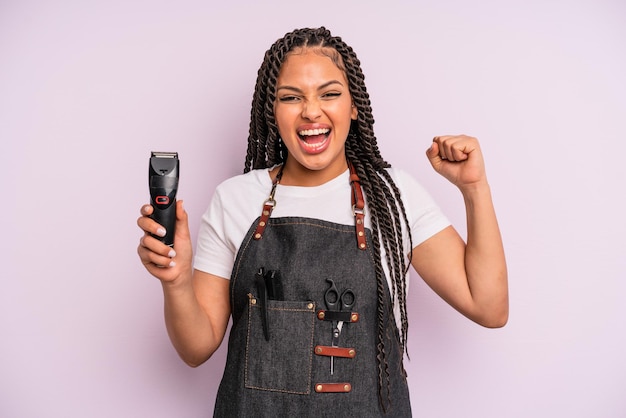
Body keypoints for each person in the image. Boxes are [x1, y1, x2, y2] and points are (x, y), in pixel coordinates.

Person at [137, 27, 508, 417]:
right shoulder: (235, 199)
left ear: (354, 106)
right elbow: (196, 349)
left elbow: (489, 306)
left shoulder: (392, 196)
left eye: (329, 93)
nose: (311, 110)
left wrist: (474, 189)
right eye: (291, 97)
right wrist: (176, 283)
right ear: (272, 110)